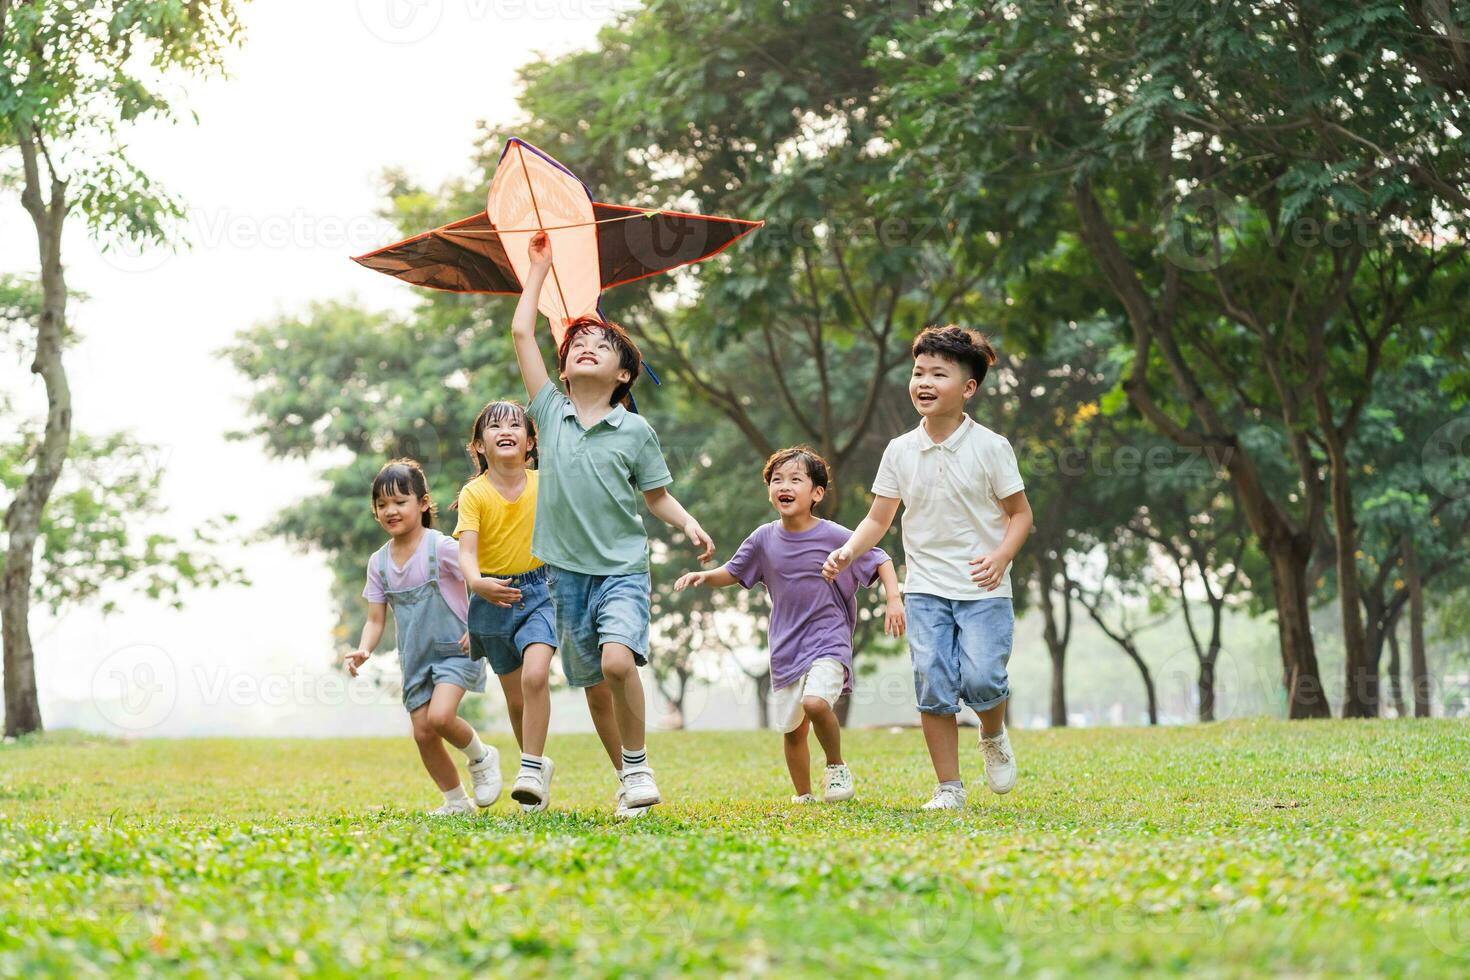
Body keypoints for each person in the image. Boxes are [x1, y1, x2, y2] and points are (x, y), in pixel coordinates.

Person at [508, 231, 715, 818]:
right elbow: (523, 332)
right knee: (594, 685)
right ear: (565, 370)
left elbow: (657, 497)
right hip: (563, 575)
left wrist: (688, 522)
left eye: (603, 344)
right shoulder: (549, 411)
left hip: (622, 567)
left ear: (625, 375)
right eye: (579, 344)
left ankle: (639, 763)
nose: (588, 347)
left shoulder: (634, 432)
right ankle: (626, 779)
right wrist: (539, 270)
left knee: (618, 662)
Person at [824, 326, 1034, 810]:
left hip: (984, 589)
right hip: (925, 590)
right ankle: (949, 788)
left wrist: (1002, 556)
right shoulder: (899, 450)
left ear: (968, 388)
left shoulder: (991, 447)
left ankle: (993, 733)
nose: (924, 381)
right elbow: (880, 517)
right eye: (918, 372)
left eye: (939, 374)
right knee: (934, 684)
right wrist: (849, 551)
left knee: (983, 680)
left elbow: (1021, 515)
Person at [677, 446, 903, 803]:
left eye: (796, 479)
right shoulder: (763, 539)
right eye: (777, 479)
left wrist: (893, 598)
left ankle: (836, 765)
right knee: (792, 728)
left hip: (829, 638)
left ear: (816, 493)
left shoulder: (834, 535)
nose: (784, 485)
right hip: (786, 644)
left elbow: (879, 559)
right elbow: (734, 573)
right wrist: (703, 577)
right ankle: (803, 796)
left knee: (815, 704)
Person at [347, 458, 501, 815]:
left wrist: (476, 626)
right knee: (423, 733)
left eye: (400, 501)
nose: (390, 511)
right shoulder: (379, 563)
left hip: (456, 650)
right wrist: (363, 649)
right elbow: (374, 619)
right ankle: (456, 802)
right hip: (415, 657)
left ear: (422, 502)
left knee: (441, 718)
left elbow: (478, 578)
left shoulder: (442, 547)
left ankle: (481, 757)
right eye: (382, 505)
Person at [453, 400, 558, 813]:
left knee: (536, 676)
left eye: (515, 424)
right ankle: (534, 770)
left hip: (540, 592)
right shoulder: (473, 493)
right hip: (491, 599)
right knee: (516, 699)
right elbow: (466, 551)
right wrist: (477, 582)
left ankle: (529, 767)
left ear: (531, 441)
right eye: (494, 427)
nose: (505, 430)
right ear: (479, 445)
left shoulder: (544, 482)